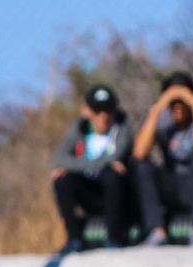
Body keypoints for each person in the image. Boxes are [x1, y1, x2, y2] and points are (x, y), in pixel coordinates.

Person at [132, 72, 193, 246]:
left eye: (182, 101)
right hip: (171, 184)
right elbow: (139, 153)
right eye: (173, 101)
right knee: (141, 166)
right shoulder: (163, 119)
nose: (178, 106)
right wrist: (158, 108)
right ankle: (156, 231)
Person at [51, 84, 135, 253]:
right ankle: (74, 239)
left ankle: (114, 238)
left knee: (113, 175)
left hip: (116, 197)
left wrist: (75, 164)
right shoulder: (79, 128)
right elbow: (59, 159)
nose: (103, 116)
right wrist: (92, 164)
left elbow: (117, 156)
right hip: (89, 193)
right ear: (86, 111)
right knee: (62, 178)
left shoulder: (123, 126)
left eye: (108, 110)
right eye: (97, 111)